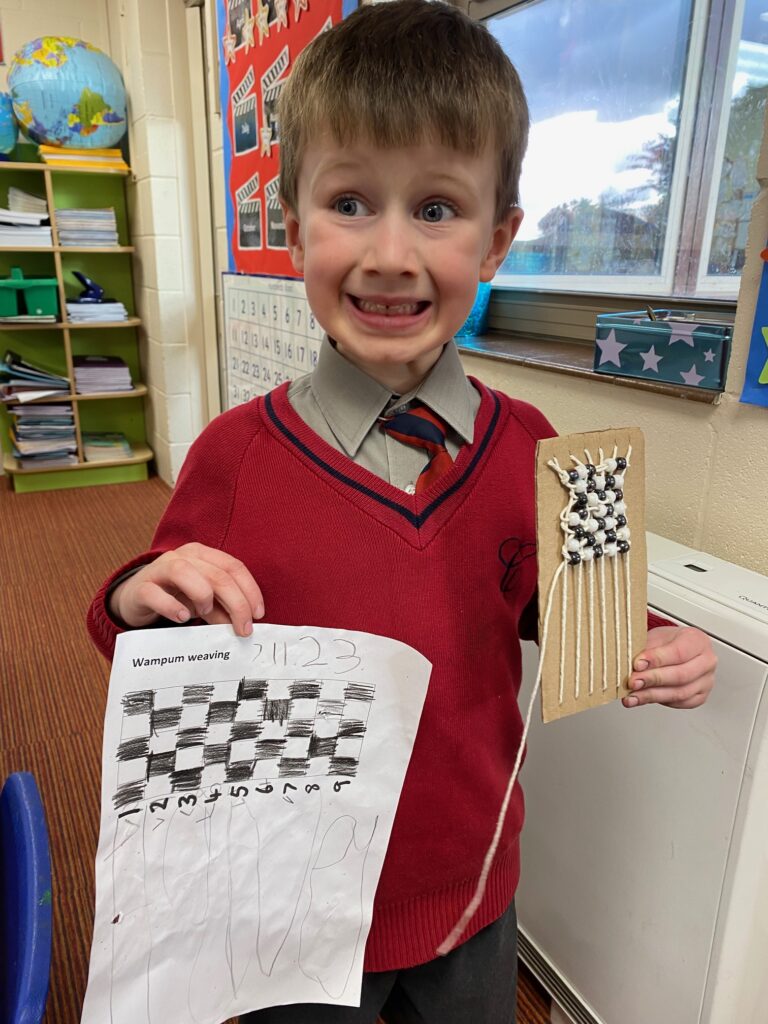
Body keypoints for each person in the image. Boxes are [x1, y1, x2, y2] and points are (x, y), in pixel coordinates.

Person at [87, 2, 717, 1021]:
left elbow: (568, 608)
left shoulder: (534, 445)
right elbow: (140, 640)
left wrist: (652, 639)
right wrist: (136, 596)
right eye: (349, 202)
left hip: (472, 886)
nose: (390, 253)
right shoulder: (233, 457)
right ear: (294, 231)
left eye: (435, 209)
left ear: (499, 239)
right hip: (288, 901)